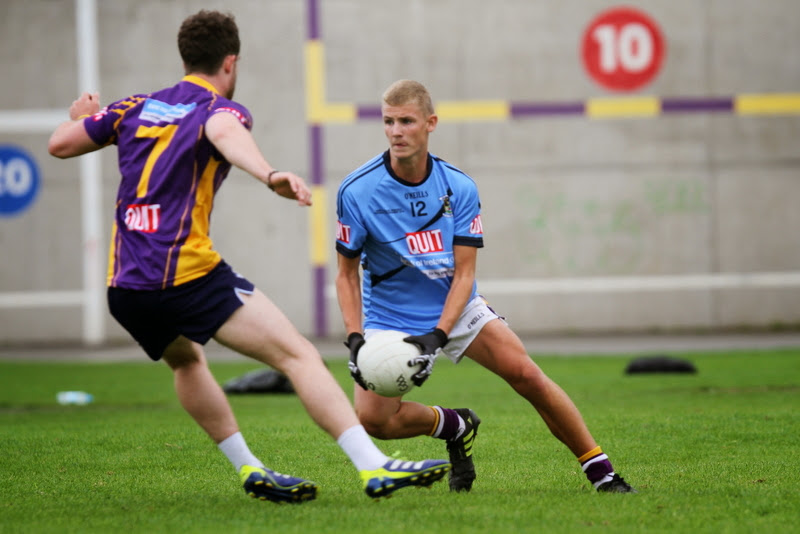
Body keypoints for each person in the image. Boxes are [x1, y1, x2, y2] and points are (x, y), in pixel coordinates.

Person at [47, 12, 449, 504]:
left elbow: (60, 145)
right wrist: (269, 173)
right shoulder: (216, 108)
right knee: (297, 355)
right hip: (186, 274)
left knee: (186, 361)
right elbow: (224, 133)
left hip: (126, 287)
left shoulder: (134, 107)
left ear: (185, 57)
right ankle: (374, 467)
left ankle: (250, 469)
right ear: (230, 62)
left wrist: (85, 117)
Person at [335, 79, 636, 493]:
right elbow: (346, 273)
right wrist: (354, 338)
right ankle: (455, 426)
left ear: (430, 123)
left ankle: (602, 472)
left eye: (406, 121)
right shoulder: (357, 190)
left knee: (526, 374)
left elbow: (464, 274)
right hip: (389, 315)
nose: (396, 131)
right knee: (375, 422)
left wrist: (437, 336)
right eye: (388, 122)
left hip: (453, 305)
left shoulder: (459, 187)